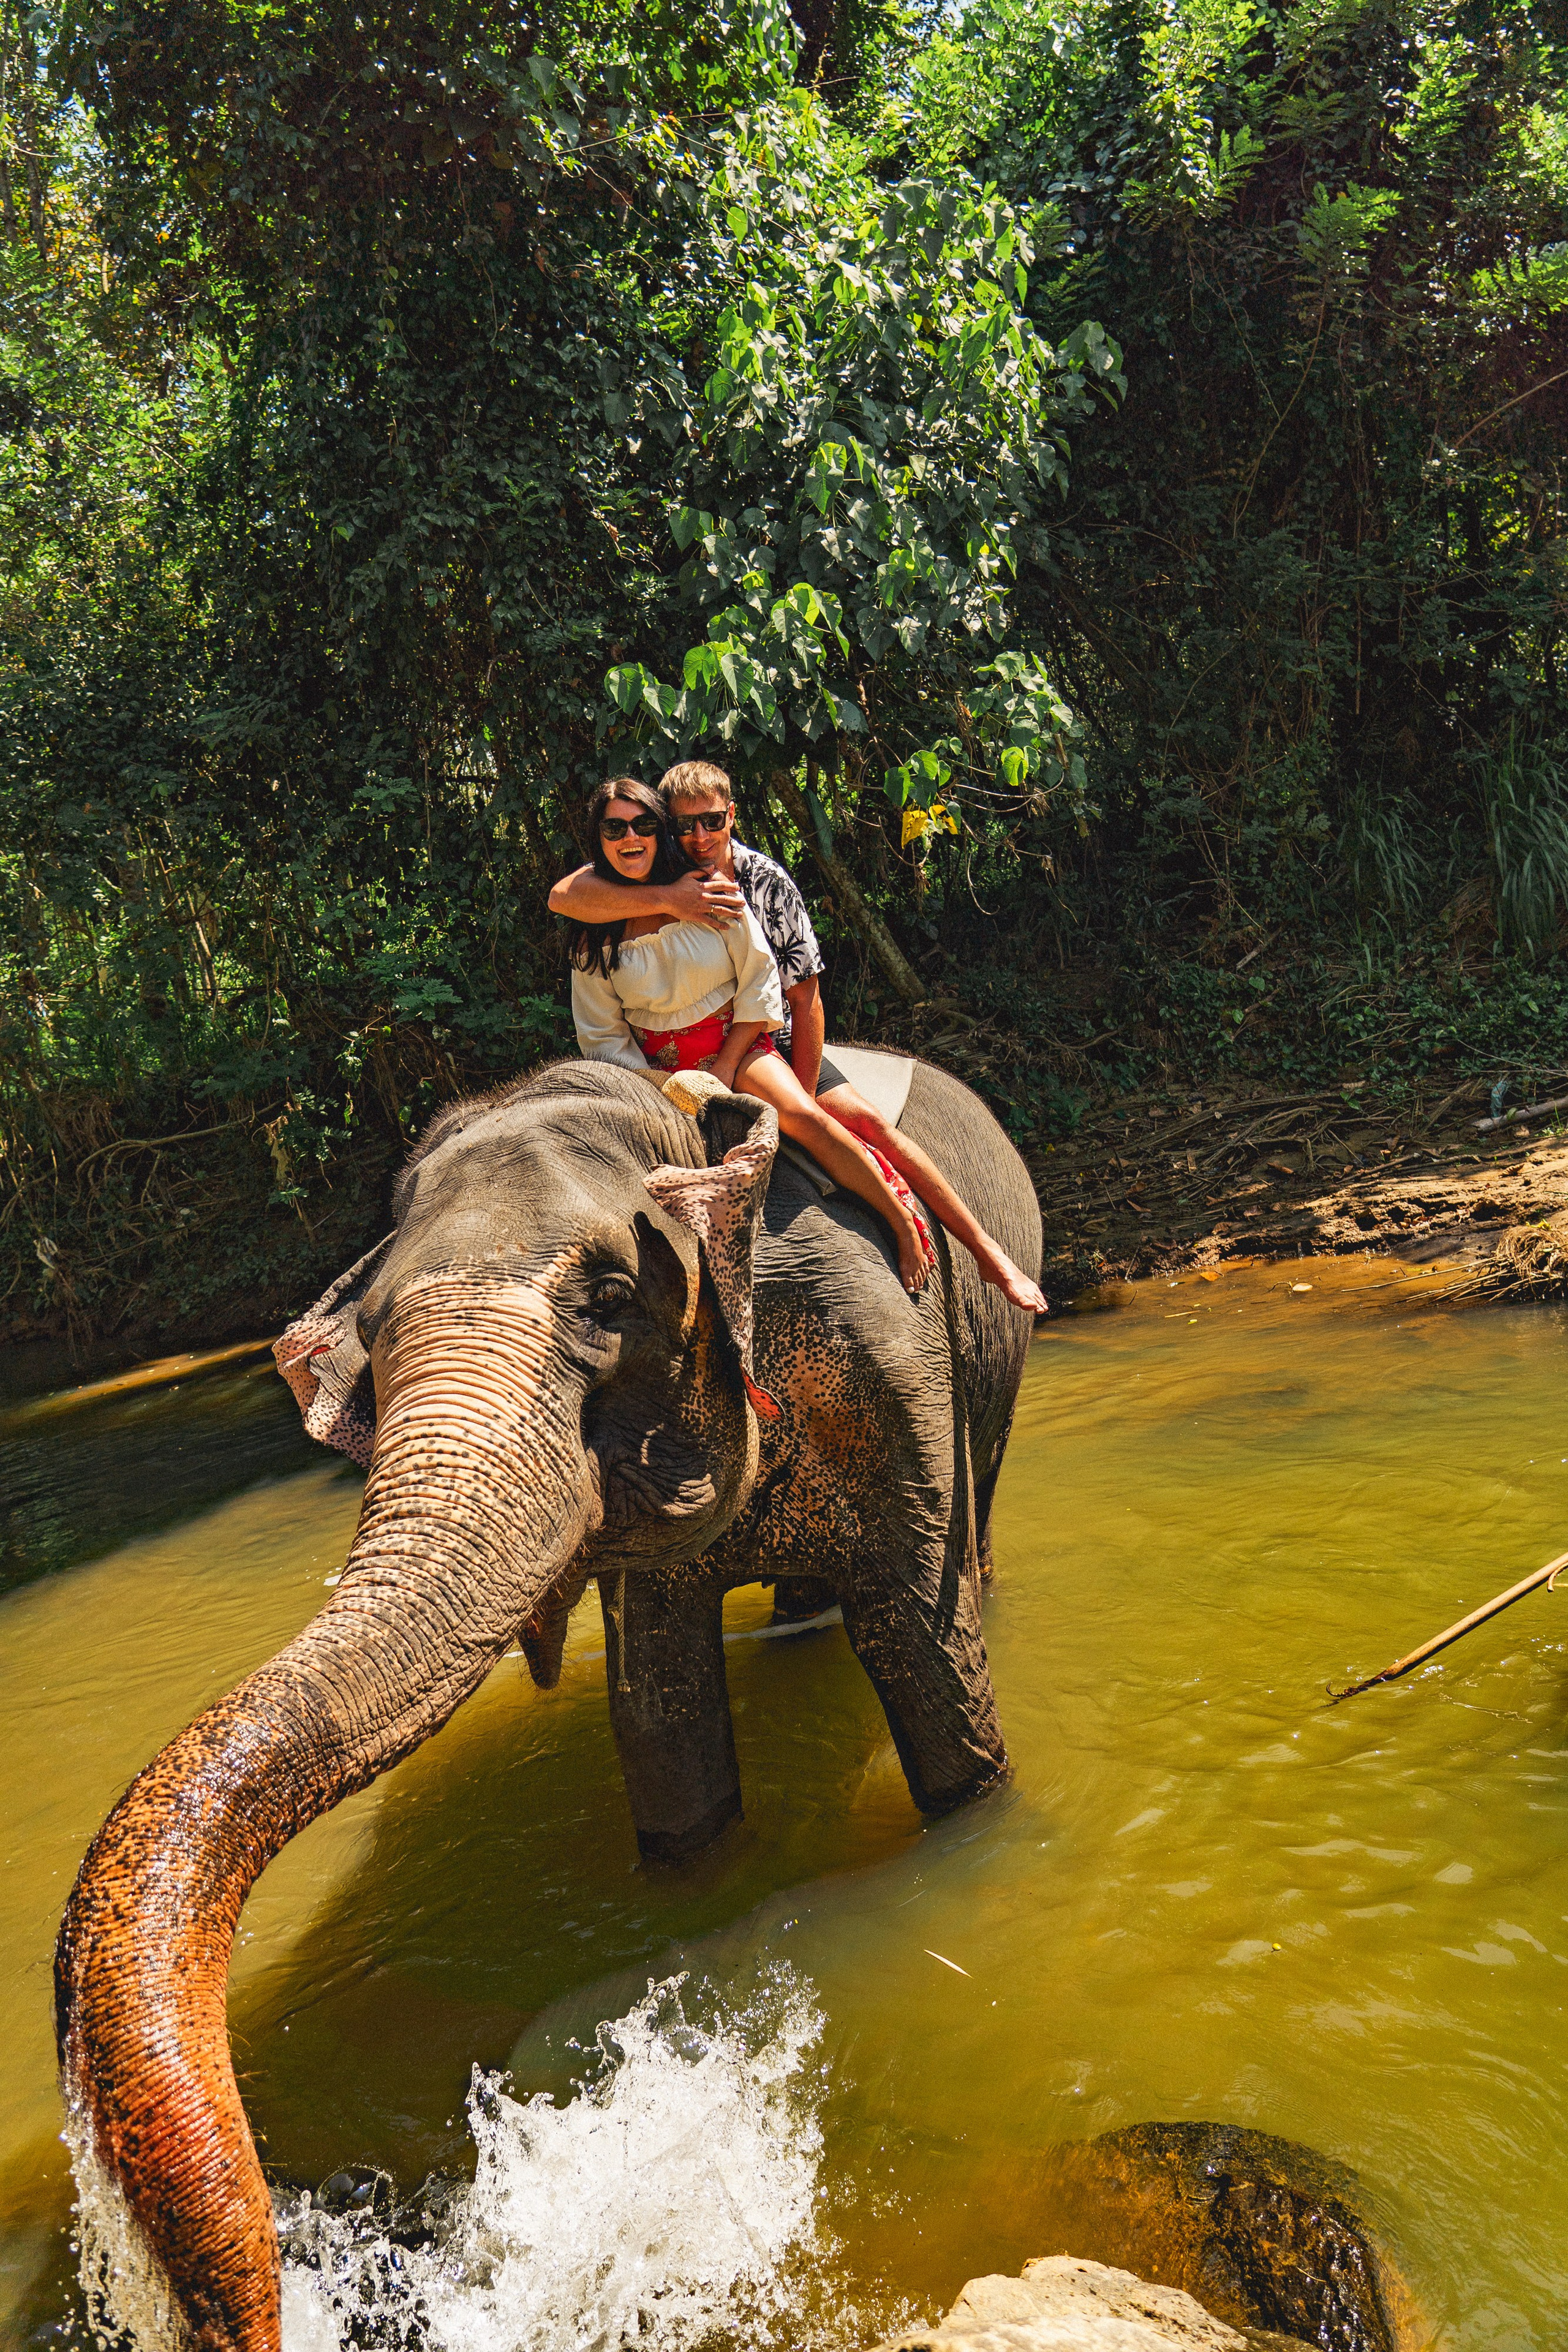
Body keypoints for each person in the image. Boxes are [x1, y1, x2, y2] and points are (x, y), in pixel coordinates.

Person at [549, 762, 1047, 1315]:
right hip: (660, 1069)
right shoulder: (623, 906)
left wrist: (793, 1092)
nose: (698, 835)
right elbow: (578, 950)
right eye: (682, 825)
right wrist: (670, 903)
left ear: (729, 816)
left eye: (709, 821)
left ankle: (948, 1237)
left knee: (840, 1121)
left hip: (761, 1035)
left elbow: (797, 992)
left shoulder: (748, 885)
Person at [563, 777, 932, 1294]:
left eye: (643, 824)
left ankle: (899, 1220)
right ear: (598, 839)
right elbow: (602, 1032)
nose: (631, 837)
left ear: (658, 829)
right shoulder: (592, 932)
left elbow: (759, 977)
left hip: (733, 1044)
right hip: (658, 1072)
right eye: (615, 828)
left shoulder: (706, 888)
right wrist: (656, 1084)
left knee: (804, 1116)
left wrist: (727, 1063)